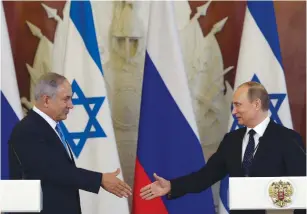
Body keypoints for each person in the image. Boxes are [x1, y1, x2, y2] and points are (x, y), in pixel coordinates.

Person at [140, 81, 306, 214]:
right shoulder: (232, 140)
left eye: (238, 105)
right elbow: (206, 176)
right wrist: (172, 186)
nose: (234, 111)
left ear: (256, 104)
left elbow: (301, 187)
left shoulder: (288, 139)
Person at [9, 73, 132, 214]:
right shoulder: (28, 129)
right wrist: (99, 179)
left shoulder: (49, 127)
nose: (71, 105)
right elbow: (53, 170)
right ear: (47, 100)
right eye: (66, 99)